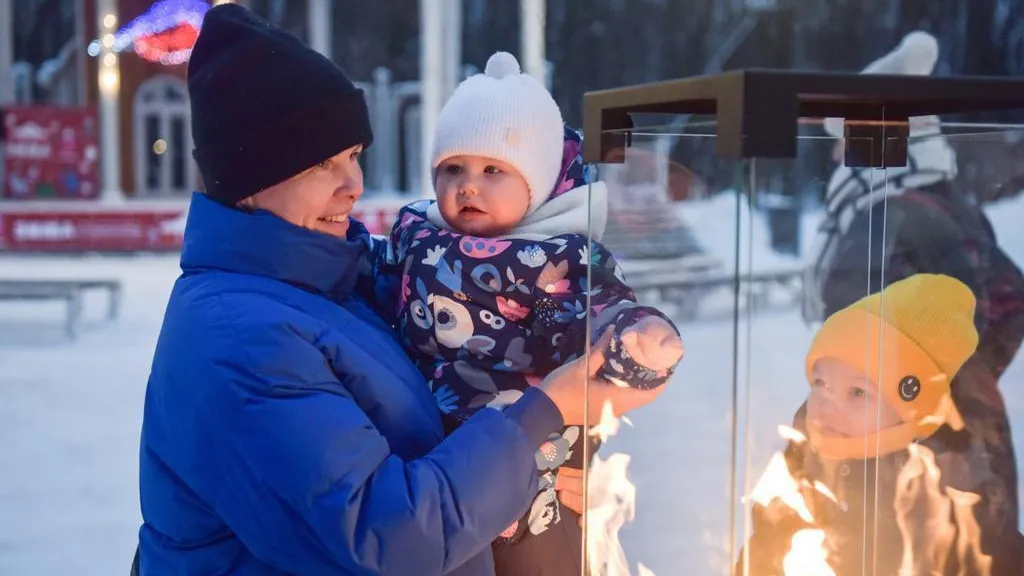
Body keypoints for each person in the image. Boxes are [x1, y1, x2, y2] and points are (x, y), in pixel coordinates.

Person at [135, 5, 662, 575]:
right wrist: (544, 416)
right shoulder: (240, 338)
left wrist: (534, 478)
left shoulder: (330, 280)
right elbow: (392, 534)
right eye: (320, 165)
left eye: (354, 155)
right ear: (248, 182)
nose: (353, 186)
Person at [361, 52, 684, 576]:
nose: (468, 185)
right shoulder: (414, 236)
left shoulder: (552, 262)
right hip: (435, 465)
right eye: (452, 168)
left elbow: (596, 309)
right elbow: (369, 275)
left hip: (533, 470)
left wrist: (637, 337)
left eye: (493, 170)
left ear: (535, 182)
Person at [801, 31, 1024, 575]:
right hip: (964, 424)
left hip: (895, 450)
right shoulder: (952, 207)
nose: (835, 159)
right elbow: (1004, 300)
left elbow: (862, 347)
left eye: (844, 143)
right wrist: (959, 371)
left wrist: (880, 395)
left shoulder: (884, 221)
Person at [742, 274, 986, 576]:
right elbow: (761, 555)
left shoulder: (946, 504)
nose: (827, 403)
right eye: (821, 382)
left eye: (857, 392)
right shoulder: (795, 475)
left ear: (912, 413)